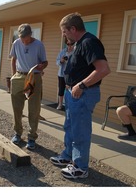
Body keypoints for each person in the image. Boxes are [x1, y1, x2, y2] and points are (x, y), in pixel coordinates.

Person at [50, 12, 111, 179]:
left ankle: (80, 167)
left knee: (80, 131)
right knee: (70, 127)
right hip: (73, 93)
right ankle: (68, 156)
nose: (63, 35)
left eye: (64, 31)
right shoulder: (78, 43)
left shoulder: (89, 42)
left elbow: (103, 69)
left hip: (83, 94)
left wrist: (81, 85)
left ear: (73, 28)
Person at [9, 23, 48, 150]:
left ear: (30, 35)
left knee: (34, 108)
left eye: (25, 38)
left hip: (34, 78)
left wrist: (42, 66)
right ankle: (17, 133)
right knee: (17, 108)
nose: (23, 41)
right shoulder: (16, 43)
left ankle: (32, 137)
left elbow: (45, 61)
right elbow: (13, 59)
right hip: (19, 76)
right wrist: (14, 75)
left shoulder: (39, 45)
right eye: (21, 38)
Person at [56, 38, 74, 110]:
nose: (69, 46)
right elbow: (57, 62)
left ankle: (69, 105)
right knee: (61, 89)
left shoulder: (75, 52)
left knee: (70, 90)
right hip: (62, 74)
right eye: (68, 44)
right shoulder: (63, 51)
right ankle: (60, 104)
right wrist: (61, 61)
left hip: (71, 75)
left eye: (71, 44)